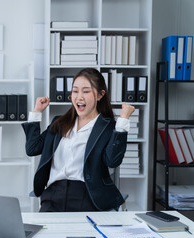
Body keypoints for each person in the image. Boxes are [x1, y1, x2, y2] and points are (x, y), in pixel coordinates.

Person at [22, 68, 135, 212]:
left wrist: (123, 121)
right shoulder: (60, 123)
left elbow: (112, 161)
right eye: (75, 91)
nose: (79, 97)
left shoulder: (108, 127)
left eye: (86, 91)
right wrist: (37, 112)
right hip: (53, 195)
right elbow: (32, 149)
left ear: (100, 95)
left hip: (87, 194)